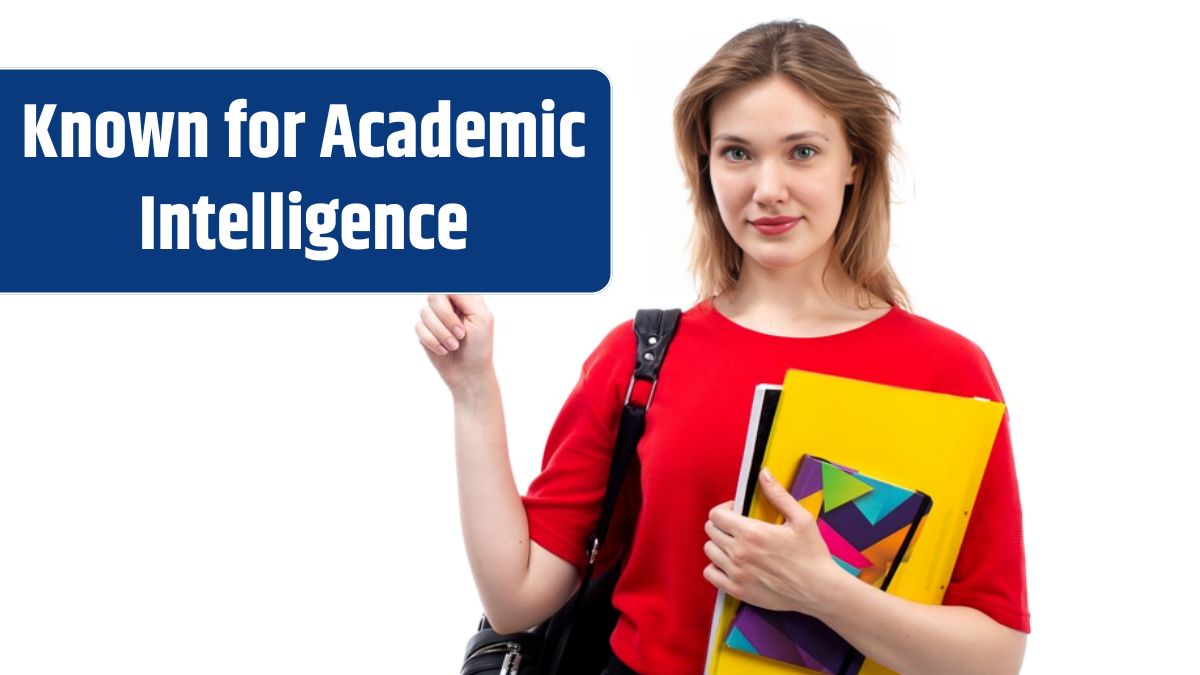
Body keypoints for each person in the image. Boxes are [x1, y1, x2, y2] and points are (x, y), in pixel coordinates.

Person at [417, 20, 1029, 675]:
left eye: (802, 152)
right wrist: (472, 389)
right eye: (737, 153)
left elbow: (993, 656)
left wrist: (822, 591)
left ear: (856, 161)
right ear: (705, 165)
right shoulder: (640, 357)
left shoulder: (946, 370)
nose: (767, 188)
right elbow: (516, 599)